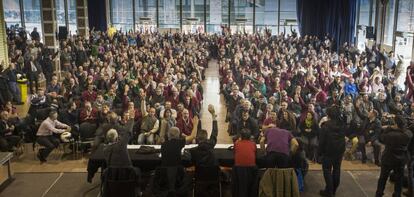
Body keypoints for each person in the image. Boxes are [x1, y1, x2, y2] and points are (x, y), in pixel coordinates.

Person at [375, 115, 412, 197]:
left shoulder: (390, 135)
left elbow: (381, 138)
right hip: (401, 160)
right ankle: (397, 194)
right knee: (399, 179)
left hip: (388, 159)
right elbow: (406, 130)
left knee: (383, 178)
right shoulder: (408, 134)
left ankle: (379, 193)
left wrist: (389, 128)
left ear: (396, 124)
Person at [318, 106, 346, 197]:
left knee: (327, 170)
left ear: (329, 114)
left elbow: (321, 141)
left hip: (328, 151)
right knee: (337, 170)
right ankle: (333, 190)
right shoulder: (342, 124)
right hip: (339, 151)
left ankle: (329, 192)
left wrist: (319, 153)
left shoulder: (325, 125)